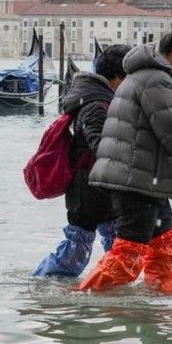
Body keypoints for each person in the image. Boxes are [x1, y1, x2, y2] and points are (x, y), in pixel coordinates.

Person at [79, 27, 172, 293]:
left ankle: (159, 308)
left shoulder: (149, 76)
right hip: (137, 182)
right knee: (127, 257)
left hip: (148, 181)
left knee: (166, 252)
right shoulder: (156, 80)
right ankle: (86, 304)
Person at [32, 44, 130, 277]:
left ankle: (109, 286)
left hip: (100, 188)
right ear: (117, 76)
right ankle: (42, 282)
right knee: (75, 252)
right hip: (87, 190)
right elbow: (101, 148)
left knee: (117, 248)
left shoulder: (100, 100)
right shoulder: (96, 105)